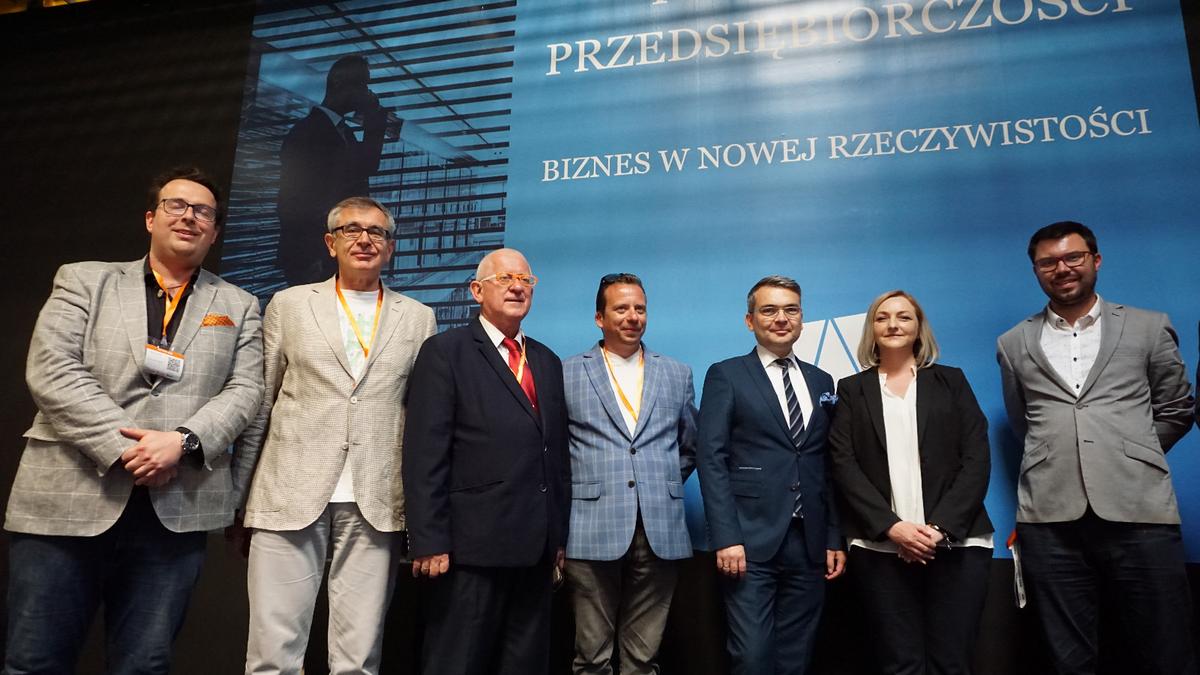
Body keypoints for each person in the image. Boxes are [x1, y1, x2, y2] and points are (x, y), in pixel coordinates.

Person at [3, 167, 264, 674]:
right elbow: (53, 369)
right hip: (68, 496)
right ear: (150, 218)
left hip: (175, 509)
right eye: (175, 205)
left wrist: (182, 442)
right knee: (34, 661)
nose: (189, 216)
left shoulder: (239, 305)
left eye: (203, 212)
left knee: (144, 664)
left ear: (214, 232)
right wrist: (130, 449)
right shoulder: (84, 279)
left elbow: (246, 390)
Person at [234, 197, 436, 674]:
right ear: (330, 243)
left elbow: (422, 417)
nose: (364, 240)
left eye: (376, 232)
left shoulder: (418, 317)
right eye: (351, 230)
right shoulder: (288, 305)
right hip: (287, 491)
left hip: (377, 498)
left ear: (390, 248)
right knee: (272, 654)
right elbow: (261, 403)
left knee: (358, 659)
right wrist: (238, 498)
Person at [996, 221, 1197, 675]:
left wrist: (1133, 453)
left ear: (1096, 260)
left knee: (1166, 650)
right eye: (1048, 262)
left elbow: (1176, 408)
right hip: (1050, 520)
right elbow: (1024, 420)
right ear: (1035, 270)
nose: (1062, 268)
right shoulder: (1012, 342)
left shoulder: (1149, 326)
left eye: (1073, 257)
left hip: (1140, 512)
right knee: (1067, 658)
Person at [402, 248, 570, 675]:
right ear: (477, 290)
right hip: (469, 550)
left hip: (535, 551)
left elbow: (555, 454)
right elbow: (424, 452)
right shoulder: (445, 352)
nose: (517, 287)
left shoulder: (547, 361)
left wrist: (558, 537)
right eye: (505, 279)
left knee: (526, 665)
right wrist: (429, 538)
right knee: (457, 663)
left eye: (525, 280)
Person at [828, 290, 993, 675]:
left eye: (904, 316)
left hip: (957, 544)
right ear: (872, 328)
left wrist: (938, 529)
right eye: (882, 317)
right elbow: (843, 464)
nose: (893, 324)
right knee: (900, 663)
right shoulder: (851, 389)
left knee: (952, 662)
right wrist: (893, 528)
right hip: (879, 548)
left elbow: (976, 457)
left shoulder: (952, 381)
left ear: (919, 328)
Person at [696, 274, 846, 675]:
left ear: (801, 318)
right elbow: (711, 458)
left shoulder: (821, 380)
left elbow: (827, 465)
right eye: (769, 310)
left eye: (791, 310)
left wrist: (833, 536)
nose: (781, 318)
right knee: (752, 656)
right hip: (749, 541)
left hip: (810, 542)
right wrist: (726, 537)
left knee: (796, 657)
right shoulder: (726, 374)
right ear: (750, 321)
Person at [562, 273, 697, 675]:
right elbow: (554, 450)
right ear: (599, 318)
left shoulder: (677, 373)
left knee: (643, 658)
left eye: (640, 308)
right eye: (621, 308)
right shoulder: (567, 372)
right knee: (592, 657)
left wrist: (659, 485)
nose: (633, 317)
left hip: (660, 527)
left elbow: (690, 445)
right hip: (590, 526)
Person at [277, 54, 391, 286]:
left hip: (334, 253)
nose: (367, 92)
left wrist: (375, 119)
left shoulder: (343, 132)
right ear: (339, 82)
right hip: (313, 257)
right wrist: (313, 257)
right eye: (363, 84)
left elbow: (367, 166)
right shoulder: (306, 132)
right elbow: (292, 201)